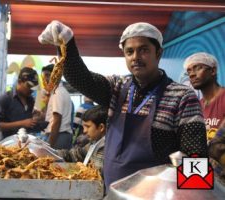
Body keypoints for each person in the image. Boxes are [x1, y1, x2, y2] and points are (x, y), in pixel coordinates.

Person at [38, 20, 207, 188]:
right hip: (113, 192)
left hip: (158, 194)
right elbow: (81, 79)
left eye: (143, 50)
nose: (136, 57)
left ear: (159, 53)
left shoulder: (182, 96)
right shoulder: (117, 88)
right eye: (129, 51)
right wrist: (67, 43)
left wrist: (193, 191)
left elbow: (196, 156)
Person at [184, 52, 225, 141]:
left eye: (198, 68)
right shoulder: (196, 107)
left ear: (213, 71)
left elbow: (219, 143)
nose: (191, 75)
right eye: (189, 71)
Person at [57, 105, 107, 173]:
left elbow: (97, 173)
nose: (84, 131)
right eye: (84, 127)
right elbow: (74, 155)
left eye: (88, 126)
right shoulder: (94, 143)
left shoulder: (104, 147)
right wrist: (52, 154)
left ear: (101, 127)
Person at [0, 67, 39, 139]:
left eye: (33, 87)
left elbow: (28, 122)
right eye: (29, 86)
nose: (31, 90)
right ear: (19, 82)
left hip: (27, 143)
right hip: (10, 145)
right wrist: (22, 123)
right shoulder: (6, 99)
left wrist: (35, 119)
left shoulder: (31, 100)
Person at [42, 64, 73, 149]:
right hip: (60, 135)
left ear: (57, 75)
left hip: (59, 136)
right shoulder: (60, 91)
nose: (45, 79)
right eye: (44, 76)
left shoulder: (57, 93)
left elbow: (57, 120)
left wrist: (50, 145)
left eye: (48, 75)